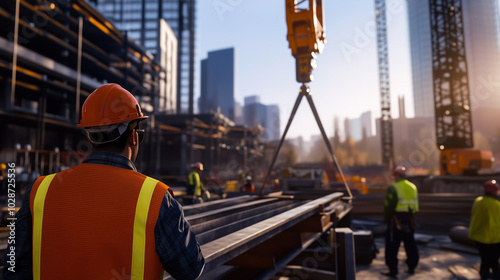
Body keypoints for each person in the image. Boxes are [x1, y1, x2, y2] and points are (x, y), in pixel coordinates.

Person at [2, 83, 205, 280]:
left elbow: (12, 268)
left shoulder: (40, 191)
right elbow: (191, 269)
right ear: (133, 137)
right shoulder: (155, 198)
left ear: (90, 139)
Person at [383, 165, 419, 278]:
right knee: (410, 244)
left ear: (396, 176)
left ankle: (393, 269)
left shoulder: (393, 187)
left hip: (396, 220)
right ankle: (412, 267)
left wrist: (386, 219)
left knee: (392, 245)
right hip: (409, 218)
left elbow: (389, 206)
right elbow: (415, 206)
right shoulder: (413, 187)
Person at [468, 180, 500, 280]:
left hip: (478, 237)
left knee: (485, 259)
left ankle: (484, 275)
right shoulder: (496, 205)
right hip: (493, 239)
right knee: (494, 261)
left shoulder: (478, 201)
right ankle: (496, 275)